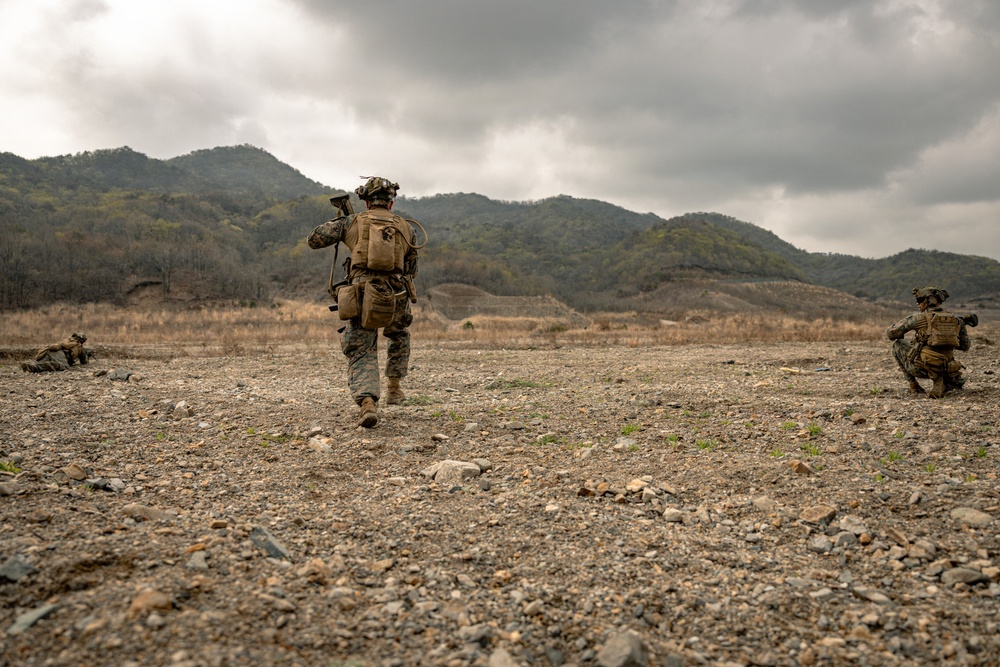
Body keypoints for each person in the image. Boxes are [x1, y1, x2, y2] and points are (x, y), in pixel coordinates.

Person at [307, 176, 421, 428]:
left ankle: (368, 401)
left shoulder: (353, 222)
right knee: (399, 335)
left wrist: (344, 225)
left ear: (367, 201)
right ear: (391, 203)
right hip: (397, 293)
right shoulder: (407, 227)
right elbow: (412, 267)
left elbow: (314, 239)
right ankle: (394, 388)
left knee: (362, 347)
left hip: (361, 293)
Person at [886, 286, 970, 398]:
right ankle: (947, 381)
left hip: (922, 369)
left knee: (898, 344)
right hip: (949, 368)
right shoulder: (956, 320)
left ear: (927, 301)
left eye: (919, 300)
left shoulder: (917, 318)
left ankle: (914, 386)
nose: (917, 303)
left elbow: (891, 334)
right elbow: (965, 346)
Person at [21, 333, 91, 373]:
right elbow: (84, 362)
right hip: (60, 354)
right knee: (65, 366)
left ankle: (31, 367)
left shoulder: (67, 340)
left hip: (49, 350)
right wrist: (87, 355)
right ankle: (52, 364)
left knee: (41, 365)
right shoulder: (80, 347)